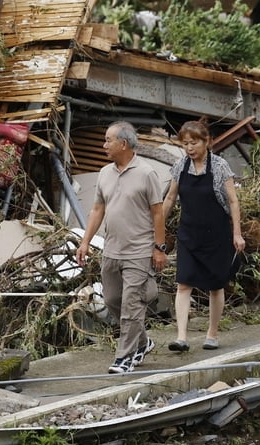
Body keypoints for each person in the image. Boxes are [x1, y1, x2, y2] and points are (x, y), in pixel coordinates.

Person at [75, 121, 167, 374]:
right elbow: (97, 209)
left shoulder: (146, 173)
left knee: (131, 305)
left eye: (108, 140)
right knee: (113, 299)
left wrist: (159, 248)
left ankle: (124, 358)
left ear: (123, 144)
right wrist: (85, 242)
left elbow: (158, 214)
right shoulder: (105, 173)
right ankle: (143, 342)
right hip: (112, 249)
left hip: (139, 251)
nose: (104, 145)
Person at [162, 120, 245, 352]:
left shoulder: (219, 166)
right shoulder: (180, 166)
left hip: (216, 234)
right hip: (189, 233)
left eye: (194, 142)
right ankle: (181, 337)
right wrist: (156, 227)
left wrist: (237, 234)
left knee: (215, 286)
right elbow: (170, 198)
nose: (189, 148)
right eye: (185, 143)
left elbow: (232, 201)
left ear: (207, 142)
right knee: (183, 283)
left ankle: (212, 333)